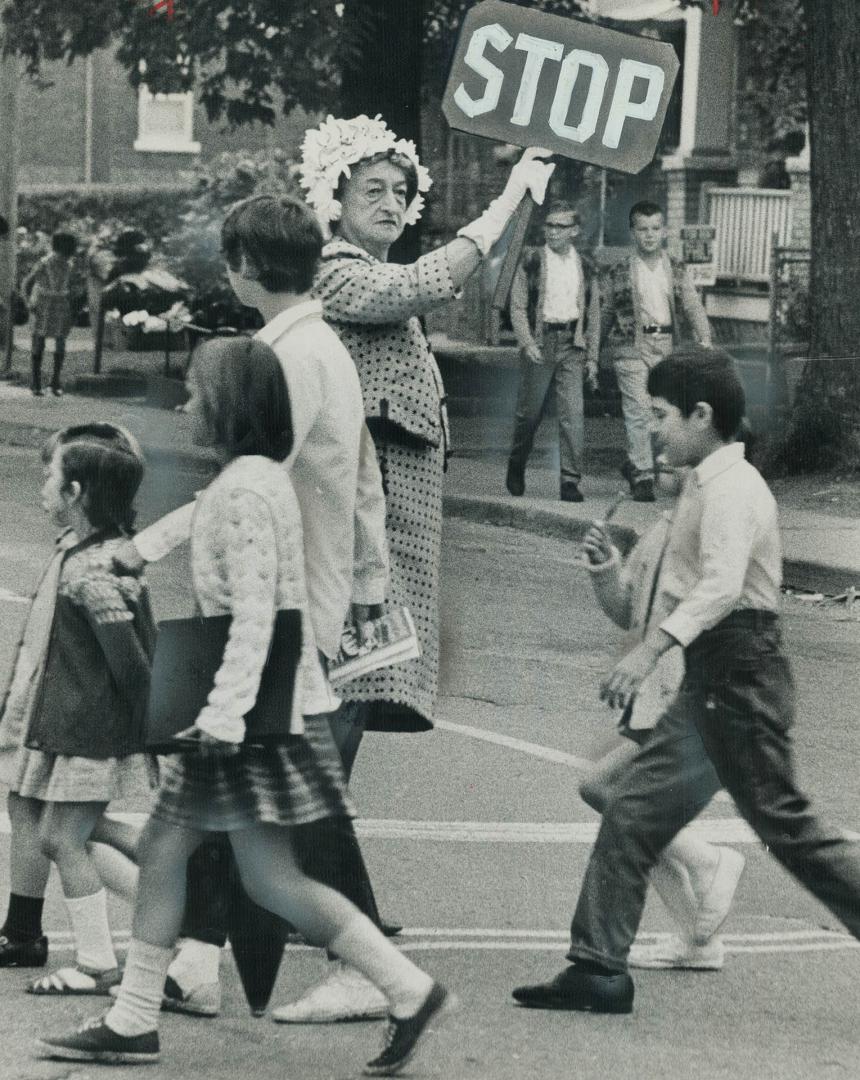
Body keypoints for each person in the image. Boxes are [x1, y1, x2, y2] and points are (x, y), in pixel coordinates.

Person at [38, 339, 450, 1076]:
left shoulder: (247, 491)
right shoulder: (250, 480)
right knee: (252, 873)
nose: (187, 405)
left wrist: (222, 719)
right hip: (257, 713)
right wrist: (144, 553)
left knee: (209, 863)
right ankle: (405, 988)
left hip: (246, 720)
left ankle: (136, 1021)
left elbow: (257, 617)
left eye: (198, 393)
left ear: (230, 406)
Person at [272, 115, 553, 1022]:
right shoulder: (340, 272)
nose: (390, 204)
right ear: (335, 203)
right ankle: (321, 896)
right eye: (371, 192)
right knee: (340, 703)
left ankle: (309, 889)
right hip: (363, 528)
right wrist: (506, 199)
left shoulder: (373, 275)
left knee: (348, 704)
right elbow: (428, 283)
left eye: (400, 192)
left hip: (394, 525)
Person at [113, 193, 393, 1023]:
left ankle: (370, 965)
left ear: (243, 267)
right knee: (230, 787)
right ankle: (197, 956)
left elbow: (249, 475)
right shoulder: (319, 345)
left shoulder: (288, 359)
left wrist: (144, 544)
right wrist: (370, 581)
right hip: (308, 586)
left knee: (295, 790)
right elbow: (367, 475)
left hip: (279, 596)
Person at [512, 348, 860, 1015]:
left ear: (703, 415)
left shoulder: (735, 488)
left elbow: (724, 586)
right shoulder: (704, 483)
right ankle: (597, 968)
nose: (653, 429)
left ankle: (599, 964)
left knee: (789, 827)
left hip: (740, 673)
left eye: (663, 415)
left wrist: (649, 654)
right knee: (632, 808)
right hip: (713, 676)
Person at [0, 424, 154, 994]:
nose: (41, 485)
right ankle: (192, 893)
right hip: (72, 726)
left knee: (63, 838)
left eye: (50, 476)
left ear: (77, 494)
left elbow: (131, 664)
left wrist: (141, 730)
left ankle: (98, 962)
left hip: (86, 731)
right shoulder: (92, 554)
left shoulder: (94, 570)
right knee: (72, 833)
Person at [579, 481, 744, 971]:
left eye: (661, 420)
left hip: (683, 693)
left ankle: (709, 862)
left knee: (605, 789)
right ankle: (698, 939)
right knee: (626, 809)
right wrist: (606, 565)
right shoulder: (664, 526)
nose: (653, 443)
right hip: (654, 695)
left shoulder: (710, 525)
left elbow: (713, 611)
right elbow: (630, 611)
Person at [586, 202, 712, 502]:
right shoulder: (619, 271)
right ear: (633, 233)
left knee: (662, 412)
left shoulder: (676, 269)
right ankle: (642, 474)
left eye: (655, 228)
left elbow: (692, 305)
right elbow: (603, 313)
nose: (650, 235)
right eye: (643, 229)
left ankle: (644, 464)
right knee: (638, 411)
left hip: (667, 346)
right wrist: (592, 354)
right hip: (630, 347)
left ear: (664, 231)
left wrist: (704, 338)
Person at [506, 200, 597, 503]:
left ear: (574, 231)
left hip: (573, 344)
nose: (552, 231)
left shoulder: (585, 265)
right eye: (549, 225)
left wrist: (593, 356)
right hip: (541, 343)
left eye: (560, 226)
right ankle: (517, 463)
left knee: (573, 414)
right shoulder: (531, 260)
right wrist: (527, 342)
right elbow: (517, 306)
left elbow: (592, 311)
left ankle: (570, 480)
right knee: (529, 415)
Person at [23, 231, 78, 397]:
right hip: (43, 304)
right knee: (39, 341)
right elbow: (26, 283)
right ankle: (36, 382)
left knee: (61, 341)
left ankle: (55, 381)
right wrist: (28, 303)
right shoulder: (44, 263)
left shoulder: (69, 264)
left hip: (60, 303)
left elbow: (69, 284)